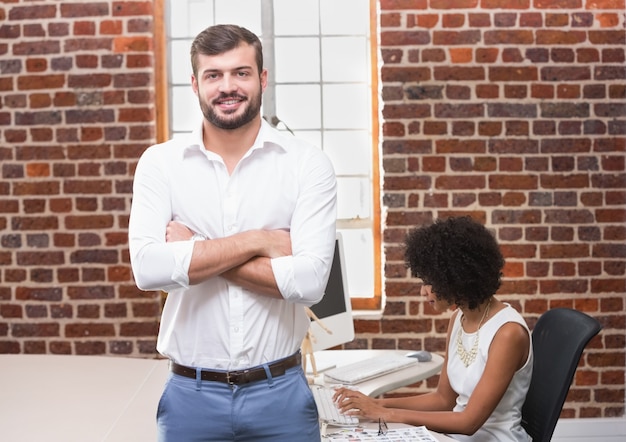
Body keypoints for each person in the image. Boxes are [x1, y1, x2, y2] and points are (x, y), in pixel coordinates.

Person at [128, 24, 337, 441]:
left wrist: (192, 250)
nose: (228, 86)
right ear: (195, 84)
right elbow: (149, 270)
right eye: (213, 75)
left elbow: (310, 283)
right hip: (190, 396)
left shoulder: (306, 165)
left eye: (241, 73)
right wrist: (258, 241)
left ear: (262, 78)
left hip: (281, 395)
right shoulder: (161, 164)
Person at [335, 216, 533, 441]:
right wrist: (376, 404)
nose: (423, 292)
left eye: (429, 282)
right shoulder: (458, 317)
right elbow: (443, 400)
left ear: (456, 277)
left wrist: (386, 414)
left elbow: (469, 422)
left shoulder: (508, 333)